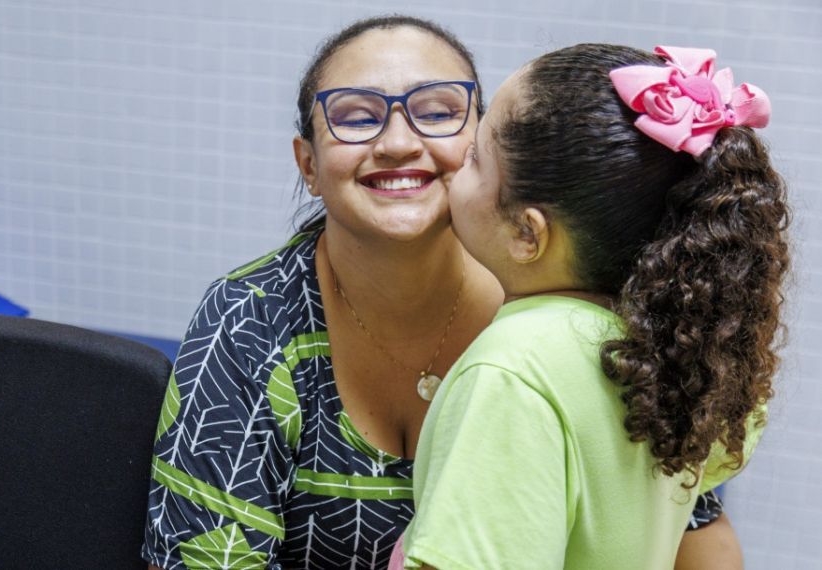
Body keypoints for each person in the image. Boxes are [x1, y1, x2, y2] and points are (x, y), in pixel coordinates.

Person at [141, 16, 748, 569]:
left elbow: (697, 538)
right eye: (355, 116)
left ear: (487, 148)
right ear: (308, 163)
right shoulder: (249, 317)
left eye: (436, 112)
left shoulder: (587, 323)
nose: (399, 142)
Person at [394, 43, 788, 569]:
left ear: (526, 233)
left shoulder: (514, 370)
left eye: (475, 159)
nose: (457, 159)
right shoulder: (661, 354)